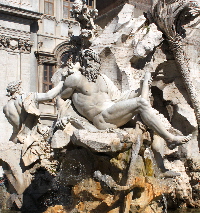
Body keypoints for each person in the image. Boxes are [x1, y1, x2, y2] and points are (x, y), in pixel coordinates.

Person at [55, 49, 191, 149]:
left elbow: (118, 98)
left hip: (112, 113)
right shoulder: (76, 79)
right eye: (88, 60)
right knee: (141, 103)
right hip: (101, 119)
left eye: (95, 60)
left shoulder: (103, 78)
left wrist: (143, 86)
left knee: (144, 109)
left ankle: (163, 159)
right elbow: (61, 98)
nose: (92, 63)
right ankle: (170, 138)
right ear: (82, 62)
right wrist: (62, 117)